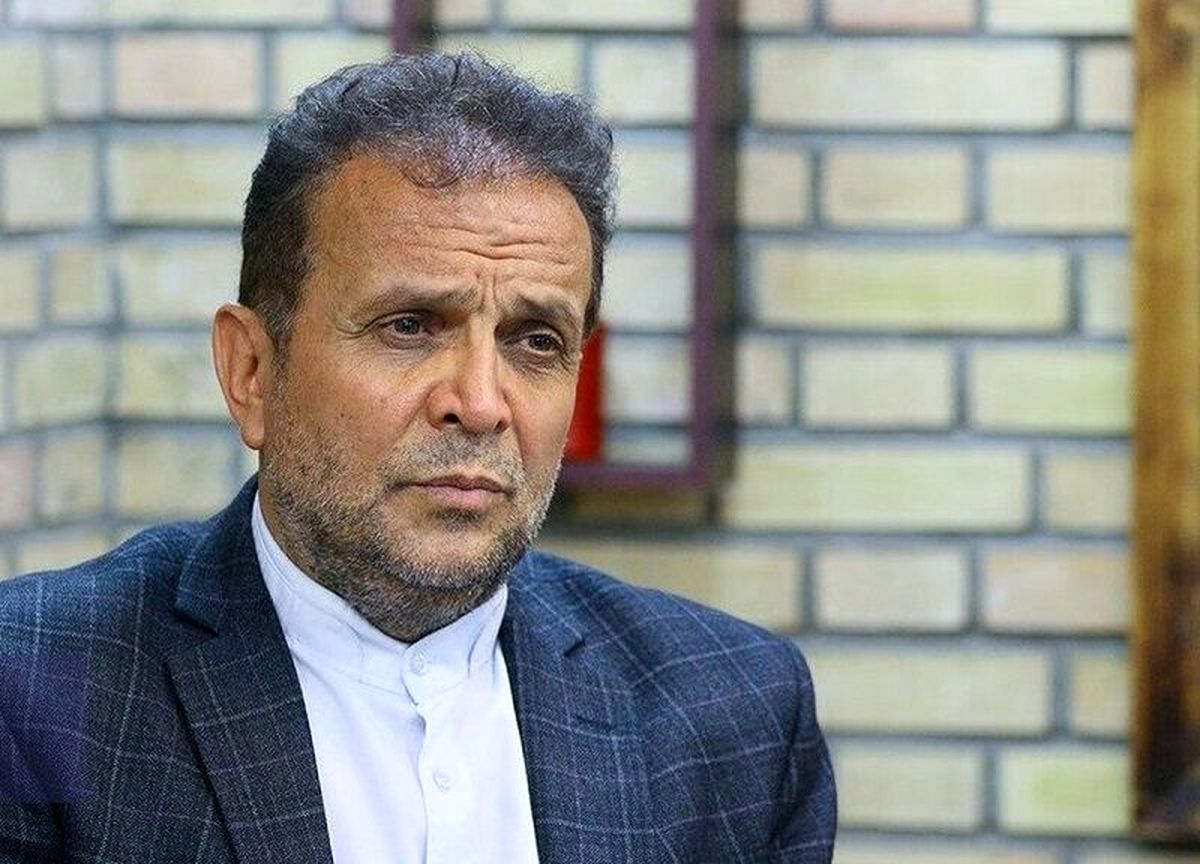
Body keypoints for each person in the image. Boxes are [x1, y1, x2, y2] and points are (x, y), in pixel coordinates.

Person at [0, 52, 835, 863]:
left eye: (535, 340)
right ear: (251, 371)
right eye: (409, 327)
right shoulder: (37, 693)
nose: (479, 403)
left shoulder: (732, 717)